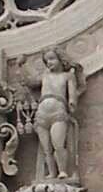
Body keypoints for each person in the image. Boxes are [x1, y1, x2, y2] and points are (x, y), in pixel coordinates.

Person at [29, 47, 83, 182]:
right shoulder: (44, 76)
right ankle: (52, 173)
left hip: (58, 110)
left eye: (52, 59)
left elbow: (72, 93)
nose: (49, 63)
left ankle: (62, 170)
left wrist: (72, 102)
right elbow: (29, 82)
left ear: (61, 59)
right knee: (46, 147)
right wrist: (21, 66)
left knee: (58, 144)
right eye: (46, 61)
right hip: (42, 112)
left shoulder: (67, 76)